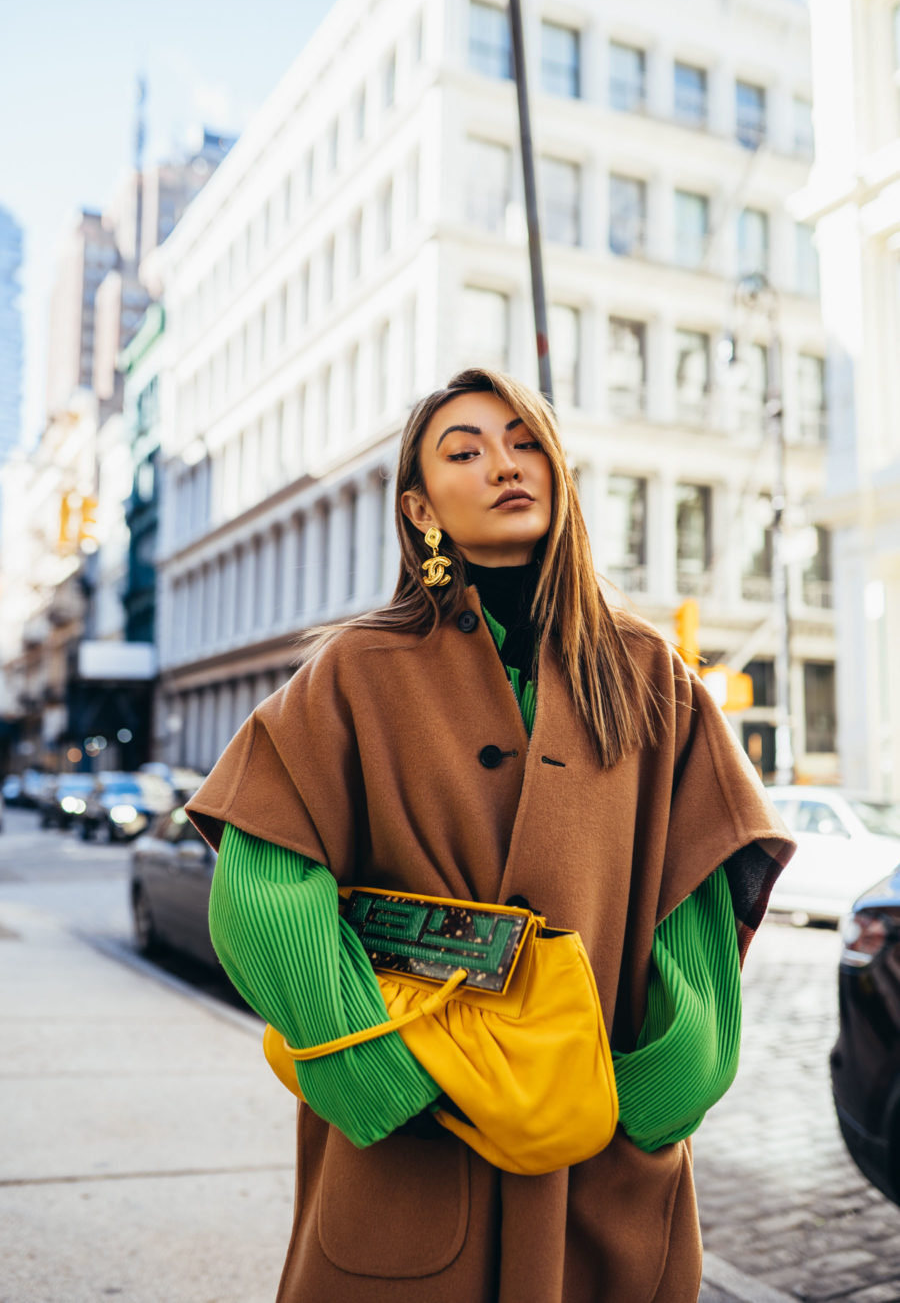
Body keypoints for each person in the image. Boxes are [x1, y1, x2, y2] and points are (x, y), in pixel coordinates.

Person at [186, 367, 794, 1303]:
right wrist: (388, 1077)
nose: (504, 465)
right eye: (464, 451)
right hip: (414, 1154)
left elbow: (698, 895)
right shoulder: (357, 670)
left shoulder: (648, 673)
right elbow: (265, 890)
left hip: (601, 1159)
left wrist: (650, 1098)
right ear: (422, 507)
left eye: (523, 443)